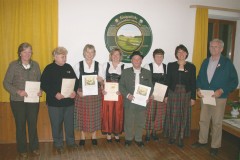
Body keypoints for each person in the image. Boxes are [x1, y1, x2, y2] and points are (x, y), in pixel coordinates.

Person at [191, 39, 238, 156]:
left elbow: (234, 81)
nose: (213, 48)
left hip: (220, 97)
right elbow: (200, 78)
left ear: (221, 49)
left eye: (216, 47)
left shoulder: (227, 63)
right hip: (206, 96)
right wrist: (198, 89)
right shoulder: (205, 62)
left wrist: (221, 90)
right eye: (211, 46)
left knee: (217, 122)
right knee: (203, 120)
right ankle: (202, 141)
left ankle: (215, 146)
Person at [3, 42, 41, 159]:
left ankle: (34, 147)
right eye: (25, 52)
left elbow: (40, 81)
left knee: (32, 124)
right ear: (20, 53)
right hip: (17, 101)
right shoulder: (13, 65)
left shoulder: (35, 65)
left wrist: (40, 90)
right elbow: (6, 83)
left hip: (33, 100)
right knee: (20, 125)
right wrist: (18, 91)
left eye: (29, 51)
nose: (27, 54)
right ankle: (22, 149)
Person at [40, 47, 78, 154]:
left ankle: (71, 143)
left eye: (65, 56)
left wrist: (74, 91)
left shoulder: (69, 67)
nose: (64, 58)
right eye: (62, 56)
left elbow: (76, 81)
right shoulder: (49, 68)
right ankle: (58, 144)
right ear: (55, 57)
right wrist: (54, 94)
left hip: (69, 103)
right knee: (56, 125)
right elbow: (44, 84)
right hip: (54, 103)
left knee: (69, 124)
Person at [164, 44, 196, 148]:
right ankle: (173, 136)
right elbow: (167, 81)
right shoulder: (171, 65)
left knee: (184, 115)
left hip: (186, 93)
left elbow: (193, 83)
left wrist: (193, 98)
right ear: (176, 54)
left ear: (186, 53)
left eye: (183, 52)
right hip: (173, 92)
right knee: (173, 115)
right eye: (179, 52)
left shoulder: (191, 66)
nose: (181, 54)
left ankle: (181, 137)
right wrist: (166, 95)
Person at [119, 51, 153, 147]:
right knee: (128, 121)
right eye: (134, 59)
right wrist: (127, 95)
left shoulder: (147, 73)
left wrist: (148, 97)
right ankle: (128, 139)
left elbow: (151, 86)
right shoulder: (125, 72)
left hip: (142, 102)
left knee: (140, 121)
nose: (137, 61)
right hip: (129, 101)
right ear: (131, 60)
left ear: (141, 60)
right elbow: (121, 86)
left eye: (139, 59)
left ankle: (138, 139)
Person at [74, 44, 104, 146]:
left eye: (92, 52)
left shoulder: (99, 65)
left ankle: (94, 136)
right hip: (82, 94)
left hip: (95, 94)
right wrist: (77, 91)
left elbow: (103, 82)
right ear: (84, 53)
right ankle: (82, 136)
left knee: (95, 115)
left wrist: (101, 80)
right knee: (83, 115)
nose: (89, 54)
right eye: (87, 52)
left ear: (94, 53)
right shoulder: (78, 65)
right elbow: (73, 81)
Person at [144, 48, 167, 142]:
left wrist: (166, 95)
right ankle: (148, 134)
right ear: (154, 57)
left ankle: (154, 133)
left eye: (161, 56)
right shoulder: (148, 66)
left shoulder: (166, 67)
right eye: (157, 56)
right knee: (150, 114)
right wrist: (149, 94)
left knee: (158, 114)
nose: (159, 58)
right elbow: (145, 81)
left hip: (161, 94)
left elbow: (167, 81)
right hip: (151, 95)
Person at [102, 48, 124, 143]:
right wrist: (102, 89)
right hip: (107, 94)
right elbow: (102, 80)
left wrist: (121, 90)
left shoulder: (124, 66)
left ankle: (117, 133)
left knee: (118, 113)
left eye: (117, 54)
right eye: (113, 54)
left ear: (120, 56)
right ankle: (108, 133)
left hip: (118, 94)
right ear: (111, 56)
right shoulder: (105, 65)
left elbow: (125, 82)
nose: (115, 56)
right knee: (108, 112)